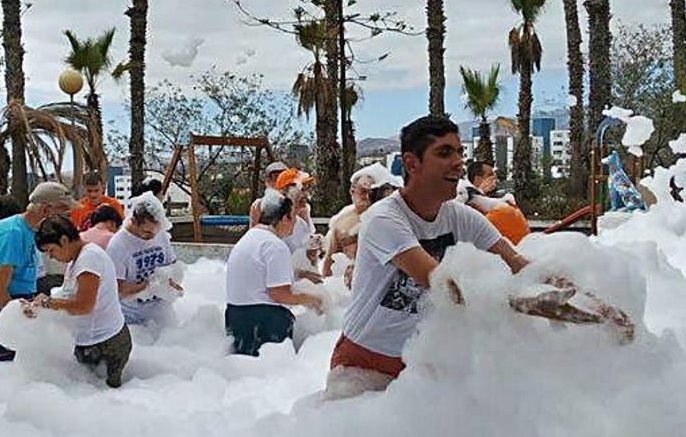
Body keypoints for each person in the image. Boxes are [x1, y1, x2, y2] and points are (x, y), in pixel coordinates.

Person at [329, 116, 530, 393]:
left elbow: (519, 263)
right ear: (412, 164)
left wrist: (582, 294)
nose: (458, 162)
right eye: (444, 153)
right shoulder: (383, 218)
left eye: (460, 152)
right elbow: (438, 282)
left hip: (421, 356)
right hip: (366, 359)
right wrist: (520, 301)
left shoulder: (461, 217)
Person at [0, 182, 77, 361]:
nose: (66, 217)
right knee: (13, 363)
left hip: (19, 298)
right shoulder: (13, 234)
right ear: (46, 210)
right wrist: (21, 318)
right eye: (63, 212)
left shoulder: (28, 231)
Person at [26, 217, 132, 388]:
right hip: (91, 341)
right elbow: (69, 293)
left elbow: (84, 305)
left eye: (51, 250)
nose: (51, 257)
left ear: (64, 240)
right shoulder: (77, 259)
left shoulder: (89, 259)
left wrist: (49, 304)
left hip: (106, 344)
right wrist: (43, 302)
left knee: (105, 399)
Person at [225, 189, 323, 356]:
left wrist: (299, 274)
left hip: (236, 318)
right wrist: (313, 299)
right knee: (271, 376)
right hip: (262, 322)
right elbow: (279, 293)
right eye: (294, 217)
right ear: (285, 218)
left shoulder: (250, 238)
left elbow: (258, 275)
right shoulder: (275, 245)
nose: (296, 223)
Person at [106, 192, 182, 326]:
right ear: (133, 222)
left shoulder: (160, 234)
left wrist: (172, 282)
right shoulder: (117, 245)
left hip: (160, 310)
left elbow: (172, 264)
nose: (152, 237)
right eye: (147, 232)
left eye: (155, 232)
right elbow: (119, 289)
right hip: (130, 315)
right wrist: (149, 285)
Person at [249, 161, 288, 227]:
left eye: (284, 178)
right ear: (268, 181)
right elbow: (254, 231)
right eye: (276, 178)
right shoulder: (258, 205)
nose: (280, 182)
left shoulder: (297, 205)